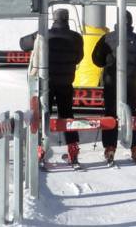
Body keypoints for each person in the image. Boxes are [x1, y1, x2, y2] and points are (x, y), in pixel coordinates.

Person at [21, 9, 85, 164]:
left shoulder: (44, 34)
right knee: (67, 115)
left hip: (46, 83)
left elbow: (23, 44)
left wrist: (36, 35)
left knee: (43, 115)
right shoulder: (76, 37)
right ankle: (73, 147)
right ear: (67, 19)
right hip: (66, 82)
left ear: (53, 19)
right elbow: (79, 58)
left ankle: (40, 148)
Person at [91, 11, 136, 163]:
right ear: (131, 22)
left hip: (111, 82)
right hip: (130, 81)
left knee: (110, 113)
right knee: (132, 113)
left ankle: (110, 147)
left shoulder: (107, 38)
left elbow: (96, 59)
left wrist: (106, 63)